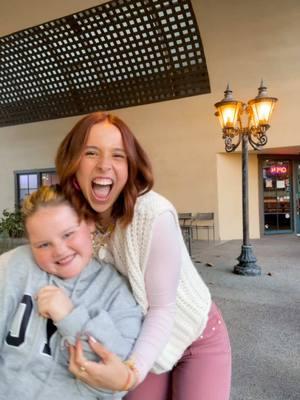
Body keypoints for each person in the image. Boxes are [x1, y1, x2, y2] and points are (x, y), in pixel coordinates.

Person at [55, 112, 232, 400]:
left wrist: (129, 374)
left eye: (118, 155)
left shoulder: (152, 214)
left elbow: (162, 309)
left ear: (130, 166)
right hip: (139, 338)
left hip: (195, 338)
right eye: (91, 153)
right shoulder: (70, 222)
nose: (104, 165)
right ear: (73, 164)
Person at [0, 185, 142, 400]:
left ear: (90, 224)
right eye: (43, 244)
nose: (59, 250)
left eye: (68, 234)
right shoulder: (16, 265)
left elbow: (112, 382)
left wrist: (70, 317)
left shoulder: (117, 293)